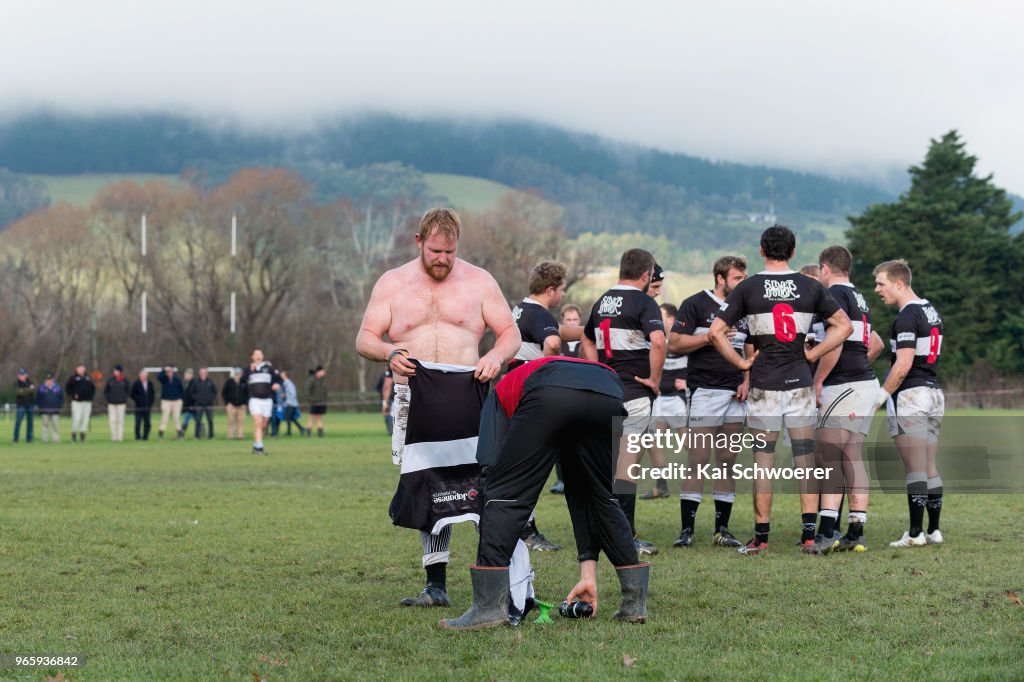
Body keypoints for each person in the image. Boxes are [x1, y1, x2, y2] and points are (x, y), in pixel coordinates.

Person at [355, 207, 519, 608]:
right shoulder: (392, 283)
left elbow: (510, 332)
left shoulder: (480, 281)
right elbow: (365, 338)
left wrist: (496, 357)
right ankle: (436, 585)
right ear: (419, 242)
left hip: (472, 394)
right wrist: (389, 352)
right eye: (435, 251)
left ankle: (498, 575)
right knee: (429, 486)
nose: (443, 259)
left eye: (450, 251)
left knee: (485, 484)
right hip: (417, 398)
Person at [440, 357, 649, 630]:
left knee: (503, 495)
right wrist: (589, 575)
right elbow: (580, 497)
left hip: (550, 392)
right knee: (599, 496)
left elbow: (490, 465)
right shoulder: (542, 374)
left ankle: (488, 608)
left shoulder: (496, 397)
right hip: (608, 391)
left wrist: (494, 497)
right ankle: (634, 603)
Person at [709, 225, 852, 555]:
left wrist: (741, 365)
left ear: (761, 250)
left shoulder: (748, 287)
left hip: (764, 388)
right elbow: (844, 326)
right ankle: (808, 537)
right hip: (800, 385)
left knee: (763, 462)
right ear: (793, 251)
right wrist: (813, 354)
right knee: (805, 461)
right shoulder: (810, 285)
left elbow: (716, 333)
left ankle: (761, 538)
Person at [581, 248, 666, 556]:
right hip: (634, 393)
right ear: (646, 275)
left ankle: (603, 531)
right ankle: (625, 538)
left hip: (605, 392)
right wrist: (654, 379)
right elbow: (658, 340)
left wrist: (597, 372)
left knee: (609, 464)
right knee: (627, 468)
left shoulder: (602, 300)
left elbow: (586, 338)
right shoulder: (644, 302)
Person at [807, 246, 886, 554]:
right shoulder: (858, 296)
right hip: (865, 383)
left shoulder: (834, 296)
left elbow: (836, 345)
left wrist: (818, 380)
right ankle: (856, 530)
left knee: (829, 457)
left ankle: (827, 532)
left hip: (844, 387)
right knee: (852, 455)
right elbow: (874, 341)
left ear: (824, 268)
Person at [669, 255, 750, 548]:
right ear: (720, 278)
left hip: (736, 395)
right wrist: (710, 338)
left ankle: (722, 530)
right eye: (737, 278)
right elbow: (674, 343)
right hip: (704, 391)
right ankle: (687, 530)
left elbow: (752, 348)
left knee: (727, 461)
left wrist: (747, 380)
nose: (743, 283)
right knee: (698, 461)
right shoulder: (696, 304)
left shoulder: (745, 307)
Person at [872, 259, 946, 548]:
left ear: (899, 283)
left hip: (912, 396)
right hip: (934, 394)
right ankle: (934, 530)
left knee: (915, 468)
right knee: (929, 465)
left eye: (881, 283)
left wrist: (879, 396)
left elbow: (902, 366)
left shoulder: (906, 316)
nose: (877, 289)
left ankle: (916, 534)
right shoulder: (931, 310)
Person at [508, 260, 568, 551]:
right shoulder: (539, 314)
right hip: (530, 398)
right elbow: (553, 343)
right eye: (563, 290)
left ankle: (522, 526)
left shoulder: (519, 309)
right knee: (531, 467)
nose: (564, 296)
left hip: (513, 393)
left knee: (521, 465)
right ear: (550, 289)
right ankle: (527, 531)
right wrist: (549, 373)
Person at [639, 301, 689, 500]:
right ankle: (661, 486)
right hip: (660, 399)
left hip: (677, 401)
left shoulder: (683, 342)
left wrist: (688, 381)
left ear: (671, 319)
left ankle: (711, 479)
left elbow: (702, 363)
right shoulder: (654, 341)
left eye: (660, 316)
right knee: (652, 439)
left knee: (690, 445)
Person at [241, 348, 282, 455]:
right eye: (256, 354)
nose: (258, 356)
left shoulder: (269, 368)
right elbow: (242, 380)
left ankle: (256, 445)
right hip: (254, 399)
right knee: (257, 422)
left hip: (267, 400)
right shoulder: (248, 369)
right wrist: (250, 370)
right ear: (252, 357)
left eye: (260, 354)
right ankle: (260, 448)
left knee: (263, 425)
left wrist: (277, 384)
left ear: (262, 356)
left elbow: (278, 379)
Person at [66, 363, 95, 443]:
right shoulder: (73, 379)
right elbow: (68, 389)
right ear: (77, 369)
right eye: (80, 368)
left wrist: (90, 397)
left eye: (83, 368)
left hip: (87, 402)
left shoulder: (88, 378)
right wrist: (73, 395)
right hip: (77, 403)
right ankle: (74, 435)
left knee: (85, 419)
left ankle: (83, 436)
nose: (81, 370)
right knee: (77, 418)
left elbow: (93, 388)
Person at [189, 367, 218, 439]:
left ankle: (211, 436)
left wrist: (210, 398)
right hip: (199, 405)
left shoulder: (210, 381)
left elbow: (215, 392)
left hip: (209, 405)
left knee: (210, 421)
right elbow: (192, 392)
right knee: (198, 421)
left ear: (207, 373)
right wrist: (197, 399)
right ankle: (197, 436)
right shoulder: (196, 382)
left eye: (204, 372)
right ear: (199, 373)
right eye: (202, 372)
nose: (203, 374)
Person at [157, 365, 185, 440]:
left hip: (176, 401)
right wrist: (163, 369)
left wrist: (180, 398)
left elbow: (181, 389)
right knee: (165, 418)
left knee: (176, 418)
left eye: (170, 371)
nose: (169, 373)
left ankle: (179, 432)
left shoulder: (177, 379)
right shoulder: (164, 379)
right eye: (167, 372)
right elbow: (158, 376)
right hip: (166, 401)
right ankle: (161, 432)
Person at [104, 364, 130, 442]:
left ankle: (120, 437)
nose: (115, 372)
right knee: (113, 420)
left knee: (120, 421)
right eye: (114, 370)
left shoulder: (125, 380)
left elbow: (128, 391)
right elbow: (106, 391)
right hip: (111, 404)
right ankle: (114, 437)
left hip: (121, 404)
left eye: (116, 371)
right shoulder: (110, 380)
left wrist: (124, 398)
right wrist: (109, 399)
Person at [221, 368, 248, 440]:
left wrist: (245, 403)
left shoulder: (244, 382)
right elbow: (224, 393)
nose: (238, 375)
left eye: (239, 374)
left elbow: (248, 393)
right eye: (236, 374)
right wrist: (227, 403)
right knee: (231, 421)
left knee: (241, 421)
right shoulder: (229, 382)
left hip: (242, 405)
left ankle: (240, 435)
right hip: (231, 405)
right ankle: (230, 436)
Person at [130, 369, 156, 441]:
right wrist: (138, 399)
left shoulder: (150, 384)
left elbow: (152, 394)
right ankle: (137, 436)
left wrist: (150, 402)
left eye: (145, 375)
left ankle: (145, 436)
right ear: (140, 376)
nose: (144, 377)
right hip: (138, 407)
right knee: (138, 422)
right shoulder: (136, 384)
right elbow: (132, 394)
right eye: (142, 375)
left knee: (147, 422)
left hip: (147, 406)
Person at [37, 372, 63, 443]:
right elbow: (38, 399)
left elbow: (61, 398)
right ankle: (44, 440)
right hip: (44, 410)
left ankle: (56, 439)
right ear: (45, 380)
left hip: (55, 410)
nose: (49, 381)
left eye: (50, 380)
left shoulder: (57, 387)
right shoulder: (41, 388)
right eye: (47, 380)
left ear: (53, 380)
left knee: (55, 425)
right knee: (45, 425)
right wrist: (41, 407)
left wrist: (59, 406)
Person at [14, 368, 37, 443]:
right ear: (18, 376)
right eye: (20, 375)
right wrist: (28, 390)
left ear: (26, 375)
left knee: (30, 423)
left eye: (23, 375)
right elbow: (18, 393)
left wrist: (23, 390)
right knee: (18, 422)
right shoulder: (16, 384)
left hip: (30, 404)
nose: (22, 376)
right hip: (21, 405)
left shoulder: (31, 382)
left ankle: (29, 439)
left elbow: (33, 391)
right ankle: (16, 438)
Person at [304, 365, 328, 437]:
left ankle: (320, 432)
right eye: (322, 371)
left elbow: (324, 391)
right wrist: (311, 400)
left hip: (321, 402)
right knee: (312, 417)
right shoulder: (312, 379)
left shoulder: (322, 380)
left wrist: (325, 400)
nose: (324, 372)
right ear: (318, 372)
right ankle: (308, 432)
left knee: (319, 417)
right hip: (314, 402)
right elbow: (306, 391)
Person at [279, 371, 305, 436]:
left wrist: (286, 396)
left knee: (288, 417)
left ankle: (289, 432)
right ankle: (301, 429)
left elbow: (293, 394)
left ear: (285, 375)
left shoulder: (289, 384)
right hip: (289, 403)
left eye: (282, 374)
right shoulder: (285, 383)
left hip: (291, 403)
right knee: (291, 418)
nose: (280, 375)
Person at [180, 368, 196, 437]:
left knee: (195, 420)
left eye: (187, 374)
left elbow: (194, 395)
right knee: (186, 419)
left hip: (193, 406)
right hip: (186, 406)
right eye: (185, 374)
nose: (185, 376)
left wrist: (193, 404)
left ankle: (181, 434)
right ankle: (182, 434)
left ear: (191, 375)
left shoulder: (194, 383)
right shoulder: (185, 383)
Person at [378, 368, 394, 435]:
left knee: (389, 416)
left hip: (392, 399)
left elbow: (386, 387)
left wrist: (385, 402)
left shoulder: (388, 373)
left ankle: (391, 432)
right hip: (396, 398)